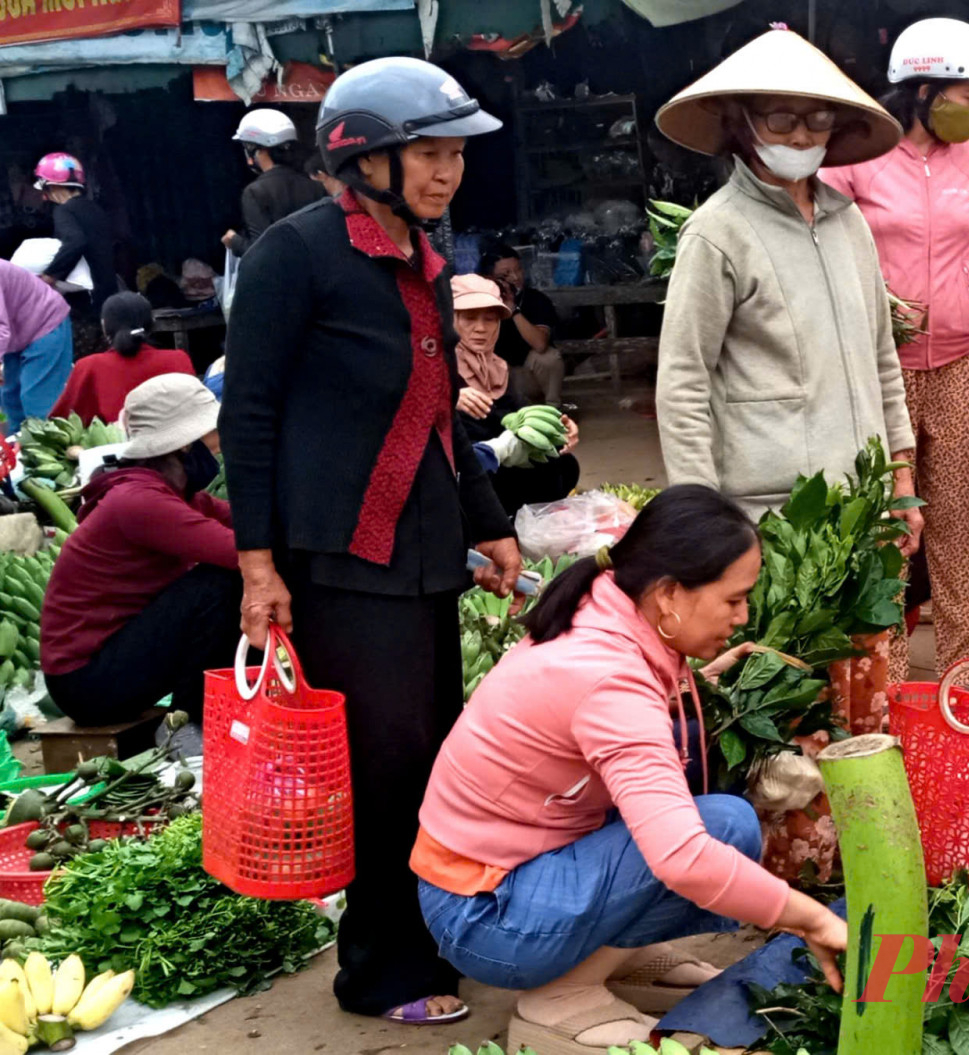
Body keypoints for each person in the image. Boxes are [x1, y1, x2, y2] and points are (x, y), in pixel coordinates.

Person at [219, 56, 522, 1026]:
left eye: (452, 156)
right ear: (365, 161)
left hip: (426, 550)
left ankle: (430, 938)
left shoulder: (427, 264)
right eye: (425, 155)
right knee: (384, 767)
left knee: (432, 756)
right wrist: (256, 562)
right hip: (345, 557)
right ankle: (377, 967)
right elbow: (250, 417)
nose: (445, 173)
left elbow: (438, 416)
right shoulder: (295, 255)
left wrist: (491, 524)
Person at [414, 487, 848, 1054]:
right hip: (484, 916)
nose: (742, 619)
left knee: (717, 822)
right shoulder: (608, 678)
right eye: (734, 600)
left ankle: (602, 960)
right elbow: (681, 856)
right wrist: (811, 919)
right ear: (668, 594)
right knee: (717, 830)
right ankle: (559, 998)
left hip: (501, 874)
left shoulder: (609, 601)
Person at [819, 17, 969, 667]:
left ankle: (965, 671)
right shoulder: (853, 160)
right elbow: (823, 256)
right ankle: (877, 675)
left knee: (963, 525)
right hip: (878, 368)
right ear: (924, 91)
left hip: (965, 364)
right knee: (884, 521)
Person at [652, 27, 919, 537]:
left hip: (862, 497)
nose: (801, 136)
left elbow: (882, 359)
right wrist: (702, 512)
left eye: (818, 120)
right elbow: (684, 383)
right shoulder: (716, 233)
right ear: (742, 123)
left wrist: (899, 477)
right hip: (767, 510)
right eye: (780, 119)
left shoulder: (848, 222)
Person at [41, 374, 235, 728]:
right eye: (213, 433)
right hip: (85, 682)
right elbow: (243, 552)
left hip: (108, 661)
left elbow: (249, 524)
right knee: (220, 585)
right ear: (185, 445)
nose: (220, 444)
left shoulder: (177, 496)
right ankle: (191, 727)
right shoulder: (140, 502)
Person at [452, 275, 581, 514]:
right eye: (469, 318)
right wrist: (449, 398)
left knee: (563, 465)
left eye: (490, 319)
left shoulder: (498, 367)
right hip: (464, 472)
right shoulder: (435, 370)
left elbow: (520, 414)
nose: (481, 328)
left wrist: (558, 425)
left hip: (505, 465)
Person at [52, 292, 195, 424]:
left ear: (104, 325)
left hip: (117, 448)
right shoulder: (178, 359)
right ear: (152, 322)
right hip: (176, 446)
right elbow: (196, 411)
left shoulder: (88, 366)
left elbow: (62, 422)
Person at [223, 110, 326, 257]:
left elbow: (260, 253)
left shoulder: (254, 192)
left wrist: (234, 241)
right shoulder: (315, 186)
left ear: (258, 151)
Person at [32, 152, 118, 328]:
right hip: (109, 297)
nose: (43, 196)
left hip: (86, 303)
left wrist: (50, 275)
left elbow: (75, 242)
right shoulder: (95, 209)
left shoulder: (64, 211)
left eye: (45, 189)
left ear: (55, 186)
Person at [479, 245, 563, 405]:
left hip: (527, 375)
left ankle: (554, 409)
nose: (515, 277)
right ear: (488, 278)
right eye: (505, 274)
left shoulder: (536, 299)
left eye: (518, 270)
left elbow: (540, 345)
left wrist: (513, 309)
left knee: (549, 358)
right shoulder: (478, 305)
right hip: (496, 377)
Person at [0, 258, 75, 433]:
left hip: (44, 322)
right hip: (15, 332)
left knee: (36, 403)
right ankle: (17, 457)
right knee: (11, 402)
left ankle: (50, 455)